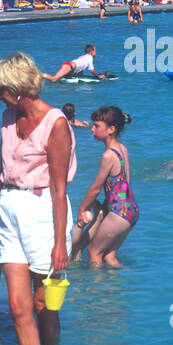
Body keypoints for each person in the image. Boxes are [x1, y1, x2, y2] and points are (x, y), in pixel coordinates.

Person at [0, 53, 76, 345]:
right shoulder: (8, 117)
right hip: (9, 210)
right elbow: (2, 172)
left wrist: (60, 242)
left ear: (19, 89)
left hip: (43, 212)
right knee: (19, 308)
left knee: (42, 303)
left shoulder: (55, 123)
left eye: (2, 90)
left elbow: (59, 189)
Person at [71, 105, 138, 266]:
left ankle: (97, 289)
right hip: (130, 209)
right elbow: (125, 184)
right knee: (109, 257)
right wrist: (105, 207)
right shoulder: (122, 149)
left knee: (94, 253)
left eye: (97, 126)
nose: (92, 129)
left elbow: (96, 187)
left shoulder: (108, 155)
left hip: (119, 212)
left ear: (111, 129)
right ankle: (124, 287)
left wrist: (82, 209)